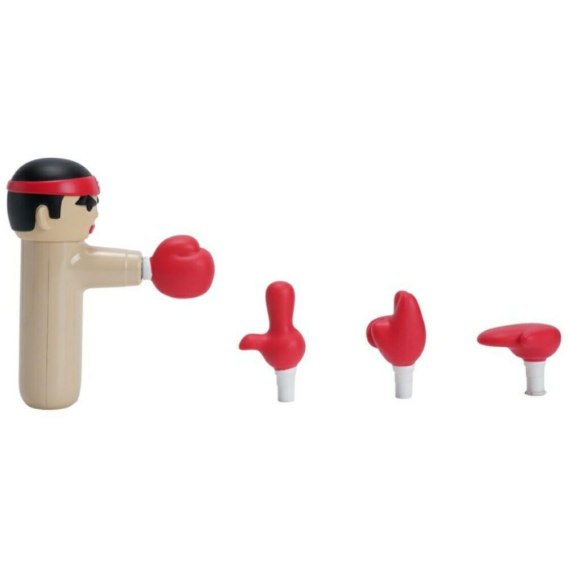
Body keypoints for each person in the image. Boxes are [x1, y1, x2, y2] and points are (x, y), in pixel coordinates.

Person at [7, 158, 214, 409]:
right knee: (52, 394)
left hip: (43, 389)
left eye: (95, 203)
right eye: (86, 203)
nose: (95, 213)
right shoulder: (73, 261)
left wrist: (151, 268)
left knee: (49, 392)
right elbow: (103, 265)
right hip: (54, 390)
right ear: (44, 217)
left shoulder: (72, 260)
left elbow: (93, 265)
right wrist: (152, 269)